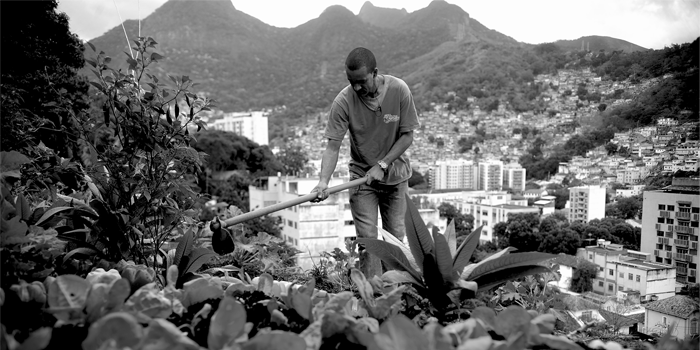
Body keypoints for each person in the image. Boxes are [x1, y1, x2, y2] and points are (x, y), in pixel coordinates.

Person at [311, 47, 420, 277]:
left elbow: (407, 136)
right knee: (368, 242)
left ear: (375, 73)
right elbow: (333, 146)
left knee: (395, 241)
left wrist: (382, 165)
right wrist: (323, 182)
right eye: (352, 82)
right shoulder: (343, 101)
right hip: (362, 179)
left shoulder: (399, 90)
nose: (357, 87)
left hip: (396, 177)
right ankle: (371, 297)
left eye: (361, 81)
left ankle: (396, 295)